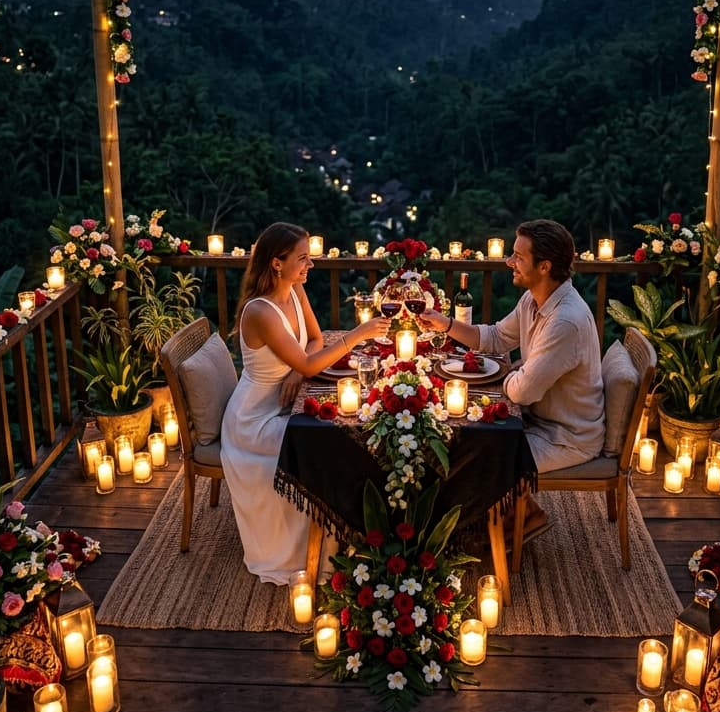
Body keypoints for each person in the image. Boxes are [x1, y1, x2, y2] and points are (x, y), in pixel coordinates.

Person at [220, 222, 389, 584]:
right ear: (276, 263)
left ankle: (350, 529)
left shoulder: (294, 289)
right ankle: (322, 544)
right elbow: (312, 360)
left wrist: (298, 371)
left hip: (286, 400)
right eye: (302, 258)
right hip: (254, 419)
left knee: (340, 432)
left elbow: (315, 340)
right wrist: (358, 334)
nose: (310, 265)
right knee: (327, 442)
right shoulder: (261, 311)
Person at [420, 218, 605, 539]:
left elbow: (521, 393)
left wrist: (512, 372)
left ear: (544, 266)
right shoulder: (534, 299)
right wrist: (445, 324)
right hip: (539, 418)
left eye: (518, 257)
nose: (509, 262)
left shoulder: (565, 322)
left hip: (565, 437)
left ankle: (499, 524)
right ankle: (513, 514)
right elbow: (495, 338)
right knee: (467, 437)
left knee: (472, 454)